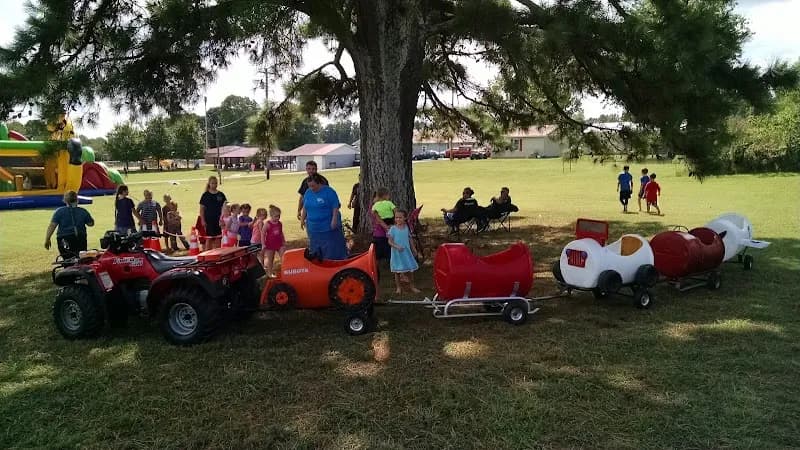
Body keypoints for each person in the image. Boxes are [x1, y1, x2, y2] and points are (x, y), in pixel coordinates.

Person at [300, 174, 348, 260]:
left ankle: (334, 261)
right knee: (316, 247)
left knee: (331, 246)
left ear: (319, 184)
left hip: (327, 227)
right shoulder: (308, 192)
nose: (311, 188)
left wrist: (334, 220)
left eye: (313, 186)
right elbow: (305, 207)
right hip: (313, 228)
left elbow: (335, 206)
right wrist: (302, 219)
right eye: (309, 186)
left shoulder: (329, 192)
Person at [44, 190, 95, 258]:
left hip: (64, 239)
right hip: (80, 238)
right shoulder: (83, 211)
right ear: (77, 200)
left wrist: (47, 238)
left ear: (65, 200)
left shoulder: (59, 212)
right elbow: (90, 224)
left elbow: (52, 226)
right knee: (80, 258)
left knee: (67, 258)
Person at [388, 209, 421, 295]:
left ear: (405, 218)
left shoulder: (406, 228)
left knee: (410, 270)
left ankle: (412, 286)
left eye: (400, 217)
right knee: (397, 272)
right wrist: (396, 246)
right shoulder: (393, 229)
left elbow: (410, 239)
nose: (398, 219)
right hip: (397, 253)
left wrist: (413, 249)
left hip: (406, 252)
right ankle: (398, 287)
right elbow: (390, 241)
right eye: (396, 218)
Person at [199, 176, 227, 250]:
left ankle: (217, 254)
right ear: (209, 184)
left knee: (218, 238)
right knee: (209, 238)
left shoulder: (221, 195)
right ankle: (208, 255)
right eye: (212, 183)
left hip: (219, 220)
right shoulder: (205, 195)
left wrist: (224, 218)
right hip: (209, 220)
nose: (214, 185)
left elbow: (225, 206)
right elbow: (202, 209)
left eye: (215, 183)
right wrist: (203, 220)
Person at [263, 204, 287, 277]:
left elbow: (281, 233)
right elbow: (262, 234)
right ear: (271, 215)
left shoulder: (280, 223)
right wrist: (263, 244)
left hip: (279, 244)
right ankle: (270, 273)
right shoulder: (267, 224)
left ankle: (285, 271)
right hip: (270, 245)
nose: (278, 218)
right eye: (276, 216)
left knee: (284, 257)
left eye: (279, 216)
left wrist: (284, 241)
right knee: (270, 259)